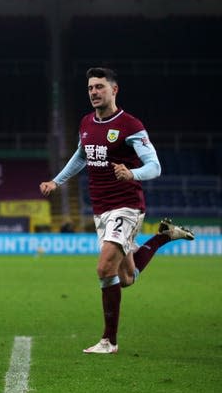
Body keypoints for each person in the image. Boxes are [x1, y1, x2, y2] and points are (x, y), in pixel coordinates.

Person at [39, 67, 194, 354]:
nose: (94, 92)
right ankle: (163, 237)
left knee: (103, 268)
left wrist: (132, 174)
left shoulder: (130, 125)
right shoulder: (86, 122)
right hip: (100, 209)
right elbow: (81, 156)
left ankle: (109, 341)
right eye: (90, 88)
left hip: (127, 207)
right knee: (125, 279)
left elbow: (155, 167)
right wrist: (56, 181)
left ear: (114, 90)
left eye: (100, 87)